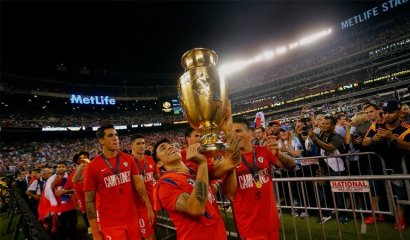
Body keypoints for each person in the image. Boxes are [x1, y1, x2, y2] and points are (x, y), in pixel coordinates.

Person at [152, 108, 241, 239]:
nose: (169, 147)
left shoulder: (195, 172)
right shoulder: (164, 185)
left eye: (170, 145)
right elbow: (196, 208)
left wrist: (228, 129)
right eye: (163, 148)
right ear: (159, 164)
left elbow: (234, 160)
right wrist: (202, 164)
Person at [224, 117, 296, 240]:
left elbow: (291, 166)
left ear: (250, 133)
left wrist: (278, 153)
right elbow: (230, 194)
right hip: (249, 226)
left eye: (238, 131)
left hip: (271, 221)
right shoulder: (228, 160)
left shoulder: (264, 151)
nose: (234, 135)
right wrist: (231, 164)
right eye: (231, 133)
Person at [84, 124, 154, 240]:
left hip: (132, 218)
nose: (115, 138)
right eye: (110, 135)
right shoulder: (92, 167)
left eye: (116, 135)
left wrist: (148, 207)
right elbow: (90, 201)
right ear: (101, 141)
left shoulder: (128, 158)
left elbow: (139, 186)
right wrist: (95, 232)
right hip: (111, 223)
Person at [362, 99, 410, 231]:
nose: (387, 115)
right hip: (378, 165)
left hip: (399, 165)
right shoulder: (377, 125)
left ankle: (400, 220)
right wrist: (373, 139)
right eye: (385, 112)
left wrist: (393, 138)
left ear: (399, 112)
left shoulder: (407, 128)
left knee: (400, 193)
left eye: (391, 112)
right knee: (376, 190)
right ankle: (378, 214)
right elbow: (364, 142)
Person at [308, 115, 348, 224]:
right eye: (323, 123)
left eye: (327, 124)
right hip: (325, 168)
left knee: (339, 193)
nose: (324, 125)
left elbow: (329, 147)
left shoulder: (336, 137)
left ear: (334, 125)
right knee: (326, 192)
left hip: (337, 168)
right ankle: (329, 212)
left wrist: (315, 139)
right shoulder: (321, 134)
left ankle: (343, 214)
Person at [130, 134, 160, 240]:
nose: (142, 145)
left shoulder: (150, 160)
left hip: (152, 202)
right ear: (131, 147)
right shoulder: (128, 162)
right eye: (138, 143)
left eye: (143, 143)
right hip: (138, 206)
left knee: (152, 229)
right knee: (149, 236)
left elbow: (158, 179)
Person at [72, 151, 92, 234]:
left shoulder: (91, 169)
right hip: (84, 204)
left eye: (85, 157)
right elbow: (75, 181)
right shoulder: (75, 174)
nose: (83, 159)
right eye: (80, 159)